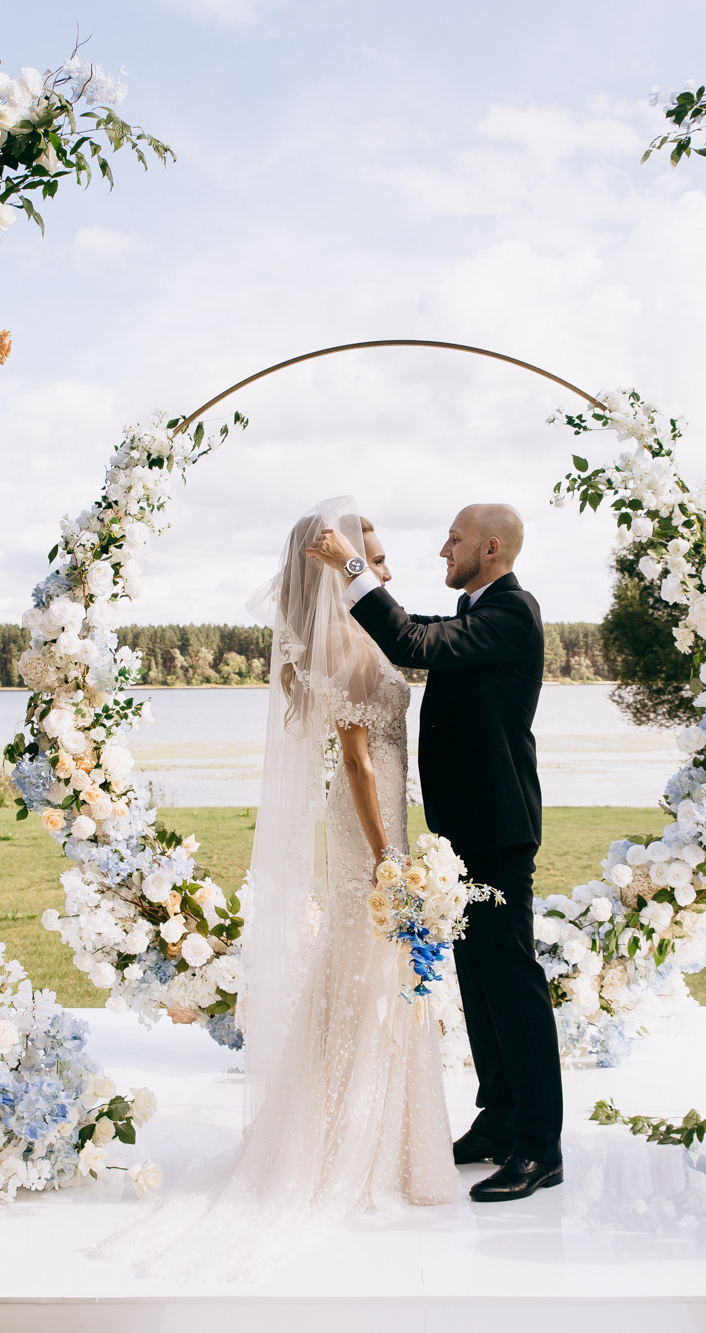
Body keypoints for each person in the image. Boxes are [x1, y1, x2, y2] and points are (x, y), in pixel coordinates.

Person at [96, 497, 452, 1281]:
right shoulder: (348, 646)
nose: (386, 569)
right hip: (370, 818)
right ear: (334, 563)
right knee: (370, 960)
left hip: (379, 805)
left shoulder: (349, 633)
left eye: (383, 558)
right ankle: (351, 1140)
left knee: (370, 963)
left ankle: (372, 1128)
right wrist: (390, 854)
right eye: (375, 555)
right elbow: (358, 760)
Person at [305, 502, 561, 1203]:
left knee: (510, 979)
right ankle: (499, 1117)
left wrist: (350, 568)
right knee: (478, 982)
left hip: (499, 829)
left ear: (492, 545)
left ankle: (540, 1145)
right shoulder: (477, 609)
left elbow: (413, 643)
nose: (441, 549)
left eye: (453, 539)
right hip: (461, 832)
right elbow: (413, 631)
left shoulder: (512, 610)